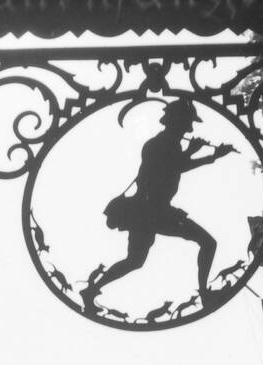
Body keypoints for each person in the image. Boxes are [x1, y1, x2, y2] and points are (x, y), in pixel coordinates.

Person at [84, 97, 233, 312]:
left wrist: (197, 152)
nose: (190, 128)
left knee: (135, 261)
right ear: (176, 122)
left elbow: (175, 164)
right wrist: (209, 156)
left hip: (149, 212)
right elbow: (175, 166)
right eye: (187, 123)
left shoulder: (167, 143)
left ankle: (91, 291)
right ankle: (205, 295)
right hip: (153, 211)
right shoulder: (160, 144)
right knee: (207, 243)